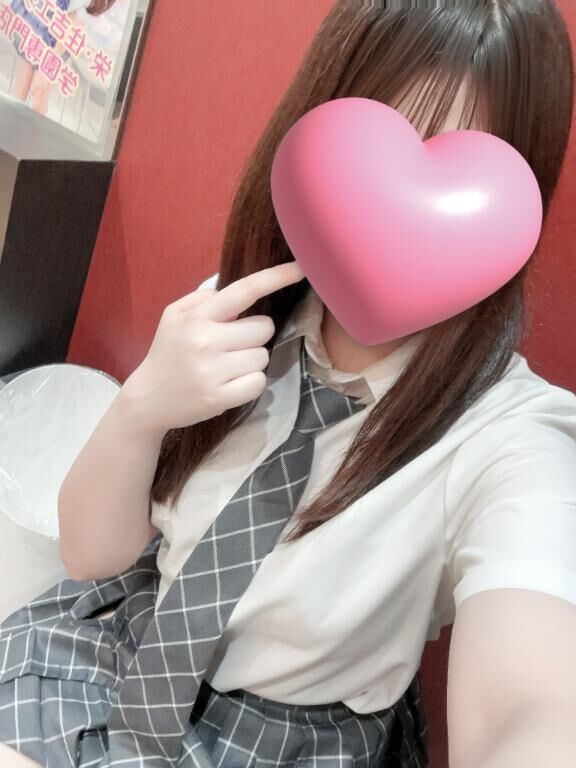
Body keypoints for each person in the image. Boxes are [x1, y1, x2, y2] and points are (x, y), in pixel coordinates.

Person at [1, 1, 576, 766]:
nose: (392, 219)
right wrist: (143, 407)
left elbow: (532, 704)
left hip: (277, 743)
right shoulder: (237, 316)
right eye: (365, 164)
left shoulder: (510, 436)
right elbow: (90, 556)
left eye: (450, 183)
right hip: (120, 646)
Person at [9, 0, 119, 114]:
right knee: (22, 85)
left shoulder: (96, 3)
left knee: (39, 92)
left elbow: (71, 27)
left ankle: (30, 124)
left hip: (60, 36)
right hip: (33, 18)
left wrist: (47, 67)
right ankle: (9, 121)